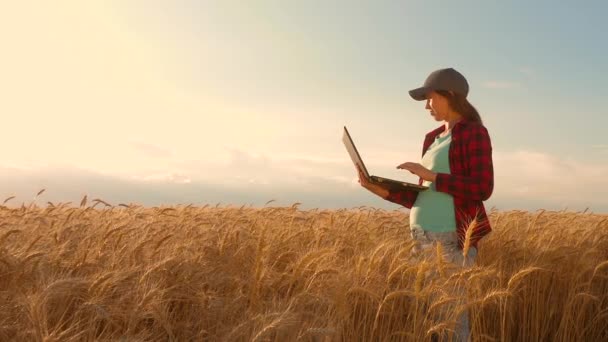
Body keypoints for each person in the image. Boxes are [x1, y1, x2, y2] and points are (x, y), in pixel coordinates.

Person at [357, 67, 494, 341]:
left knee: (452, 321)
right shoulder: (432, 138)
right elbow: (424, 194)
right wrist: (378, 189)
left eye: (430, 98)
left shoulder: (473, 133)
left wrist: (431, 175)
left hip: (450, 238)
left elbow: (482, 187)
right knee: (433, 320)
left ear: (450, 95)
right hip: (420, 237)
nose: (427, 106)